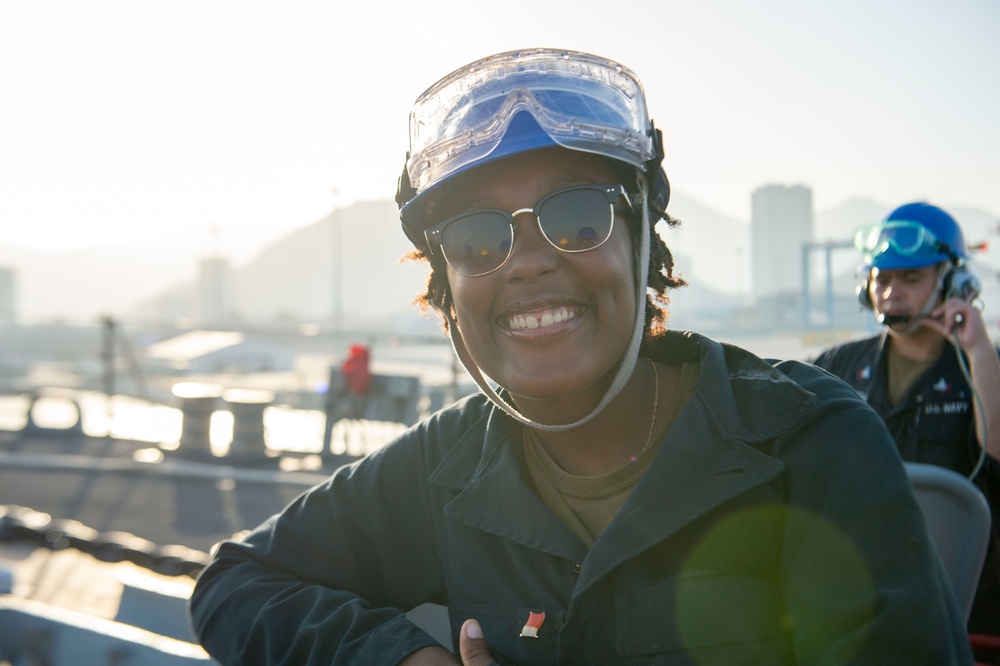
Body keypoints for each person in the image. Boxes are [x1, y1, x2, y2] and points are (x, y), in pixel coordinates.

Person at [190, 48, 972, 664]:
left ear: (643, 246)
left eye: (576, 216)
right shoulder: (448, 466)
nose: (527, 262)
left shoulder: (806, 440)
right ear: (447, 287)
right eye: (476, 237)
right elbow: (236, 582)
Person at [813, 202, 1000, 638]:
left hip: (964, 605)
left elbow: (995, 455)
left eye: (911, 279)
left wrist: (978, 352)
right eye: (883, 278)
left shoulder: (982, 367)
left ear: (955, 283)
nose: (892, 290)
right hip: (862, 594)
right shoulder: (837, 364)